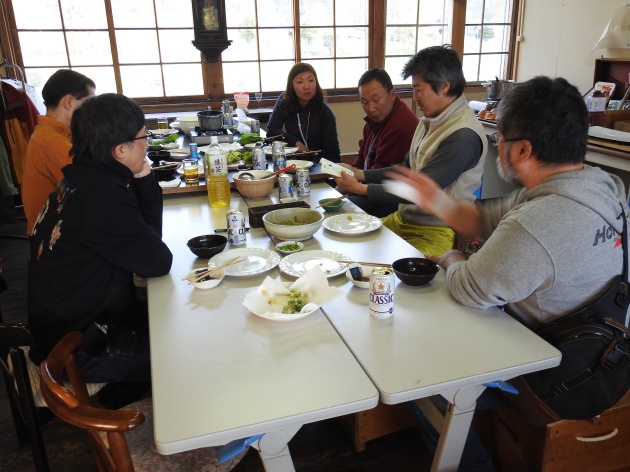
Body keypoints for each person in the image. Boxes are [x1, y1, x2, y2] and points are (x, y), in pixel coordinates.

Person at [388, 76, 629, 471]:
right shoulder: (599, 186)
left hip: (560, 375)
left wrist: (450, 258)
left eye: (499, 137)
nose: (495, 145)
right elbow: (483, 220)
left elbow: (468, 286)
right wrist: (438, 202)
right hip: (604, 350)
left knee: (419, 379)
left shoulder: (540, 221)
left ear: (522, 148)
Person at [28, 93, 173, 394]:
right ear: (120, 150)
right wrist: (145, 179)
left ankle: (124, 395)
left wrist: (143, 175)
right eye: (143, 137)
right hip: (81, 347)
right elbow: (156, 262)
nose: (147, 144)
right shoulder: (103, 198)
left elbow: (146, 242)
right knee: (189, 356)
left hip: (72, 324)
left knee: (177, 317)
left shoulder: (81, 178)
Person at [333, 45, 487, 255]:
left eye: (418, 89)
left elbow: (418, 189)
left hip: (437, 229)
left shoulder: (463, 135)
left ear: (444, 86)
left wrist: (361, 188)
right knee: (351, 246)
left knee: (406, 281)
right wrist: (360, 174)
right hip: (404, 219)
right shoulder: (428, 122)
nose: (414, 97)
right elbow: (405, 168)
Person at [22, 69, 96, 235]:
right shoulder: (51, 141)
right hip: (51, 238)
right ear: (69, 102)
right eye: (89, 104)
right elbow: (91, 186)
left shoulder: (53, 133)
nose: (92, 112)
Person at [349, 68, 419, 217]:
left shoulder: (400, 125)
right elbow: (362, 156)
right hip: (371, 186)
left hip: (391, 197)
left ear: (392, 94)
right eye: (364, 102)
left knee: (345, 208)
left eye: (376, 100)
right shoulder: (376, 118)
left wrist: (354, 182)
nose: (370, 108)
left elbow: (384, 175)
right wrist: (350, 173)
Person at [267, 62, 341, 163]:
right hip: (291, 161)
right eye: (300, 82)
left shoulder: (325, 112)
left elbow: (333, 150)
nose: (307, 87)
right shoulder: (284, 101)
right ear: (291, 85)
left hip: (318, 164)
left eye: (311, 80)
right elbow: (272, 130)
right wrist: (295, 142)